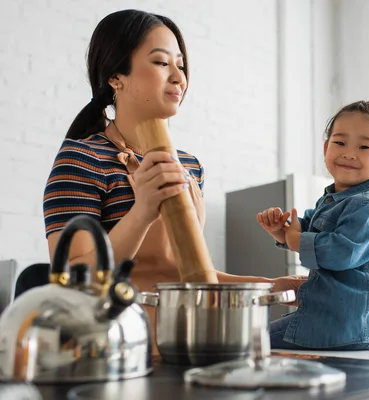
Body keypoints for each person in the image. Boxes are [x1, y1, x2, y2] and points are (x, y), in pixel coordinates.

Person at [42, 9, 306, 353]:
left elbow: (191, 277)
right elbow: (76, 279)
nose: (179, 77)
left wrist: (272, 286)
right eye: (161, 62)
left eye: (181, 65)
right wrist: (143, 211)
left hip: (187, 342)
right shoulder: (80, 160)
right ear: (115, 77)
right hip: (114, 350)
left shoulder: (190, 166)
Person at [257, 100, 369, 350]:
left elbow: (342, 252)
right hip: (331, 320)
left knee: (253, 342)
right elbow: (304, 228)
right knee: (258, 337)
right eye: (340, 143)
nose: (349, 153)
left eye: (364, 146)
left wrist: (296, 239)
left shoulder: (367, 205)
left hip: (346, 326)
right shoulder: (333, 200)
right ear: (325, 148)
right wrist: (282, 230)